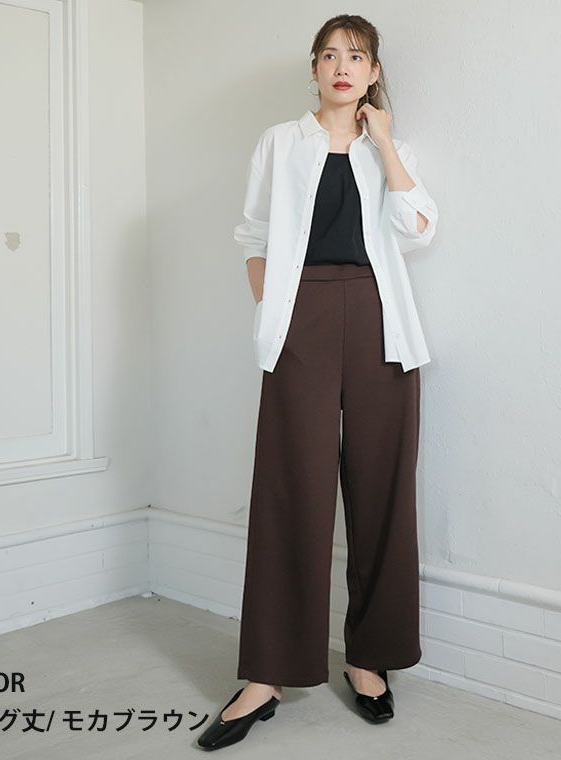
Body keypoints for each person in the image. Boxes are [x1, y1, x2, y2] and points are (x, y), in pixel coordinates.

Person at [198, 13, 438, 751]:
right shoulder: (281, 142)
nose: (341, 66)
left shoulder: (388, 149)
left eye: (356, 56)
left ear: (372, 74)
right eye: (329, 55)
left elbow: (420, 228)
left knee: (381, 487)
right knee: (290, 487)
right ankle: (268, 674)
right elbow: (252, 235)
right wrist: (276, 309)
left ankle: (369, 659)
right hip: (299, 315)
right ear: (313, 69)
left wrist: (385, 142)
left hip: (379, 321)